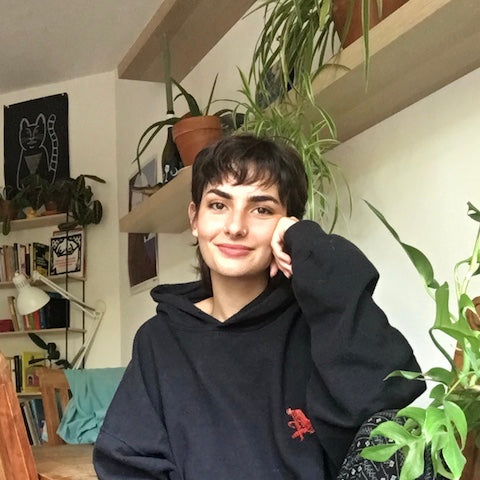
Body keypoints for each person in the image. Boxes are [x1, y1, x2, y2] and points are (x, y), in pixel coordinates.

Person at [93, 134, 425, 480]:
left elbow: (384, 410)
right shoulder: (160, 338)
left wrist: (304, 241)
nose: (236, 227)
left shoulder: (317, 324)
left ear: (287, 224)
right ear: (194, 219)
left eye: (262, 209)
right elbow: (126, 463)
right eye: (218, 205)